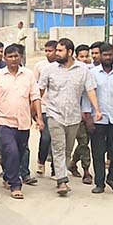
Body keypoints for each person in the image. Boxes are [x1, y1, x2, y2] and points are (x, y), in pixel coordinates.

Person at [38, 38, 102, 196]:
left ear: (70, 52)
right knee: (58, 147)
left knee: (67, 149)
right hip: (54, 114)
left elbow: (90, 90)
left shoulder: (83, 70)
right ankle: (62, 181)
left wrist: (97, 110)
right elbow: (38, 91)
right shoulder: (49, 70)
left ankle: (62, 173)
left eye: (60, 51)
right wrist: (37, 112)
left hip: (73, 116)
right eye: (56, 50)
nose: (56, 53)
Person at [0, 44, 42, 199]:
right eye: (10, 56)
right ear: (5, 58)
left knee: (19, 153)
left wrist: (39, 117)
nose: (13, 59)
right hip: (4, 121)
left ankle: (8, 175)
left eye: (16, 56)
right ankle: (15, 185)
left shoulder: (28, 75)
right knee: (11, 151)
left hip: (24, 122)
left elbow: (35, 97)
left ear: (21, 57)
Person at [83, 43, 113, 195]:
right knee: (98, 152)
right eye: (105, 55)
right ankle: (99, 183)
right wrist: (88, 116)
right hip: (98, 119)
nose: (108, 57)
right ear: (100, 56)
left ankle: (112, 178)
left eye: (110, 55)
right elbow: (87, 95)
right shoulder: (93, 73)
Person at [69, 44, 93, 184]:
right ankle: (86, 171)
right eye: (81, 57)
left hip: (90, 113)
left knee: (85, 142)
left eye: (86, 56)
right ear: (76, 57)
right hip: (76, 113)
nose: (84, 59)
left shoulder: (91, 71)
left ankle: (73, 163)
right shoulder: (73, 72)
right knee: (83, 142)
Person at [35, 40, 58, 176]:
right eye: (46, 51)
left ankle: (56, 169)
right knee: (46, 137)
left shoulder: (62, 66)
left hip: (57, 107)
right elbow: (35, 87)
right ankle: (41, 161)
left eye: (51, 51)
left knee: (57, 139)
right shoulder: (40, 66)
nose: (48, 54)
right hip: (43, 107)